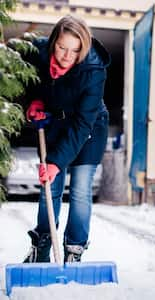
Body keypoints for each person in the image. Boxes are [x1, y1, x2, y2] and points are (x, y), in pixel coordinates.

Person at [22, 15, 110, 263]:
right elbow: (31, 80)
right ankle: (41, 246)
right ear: (53, 42)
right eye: (61, 47)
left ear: (83, 49)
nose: (66, 56)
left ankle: (74, 249)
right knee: (49, 188)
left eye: (74, 50)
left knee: (81, 190)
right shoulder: (38, 52)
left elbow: (83, 123)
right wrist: (35, 101)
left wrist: (56, 162)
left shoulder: (94, 71)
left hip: (89, 128)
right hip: (55, 124)